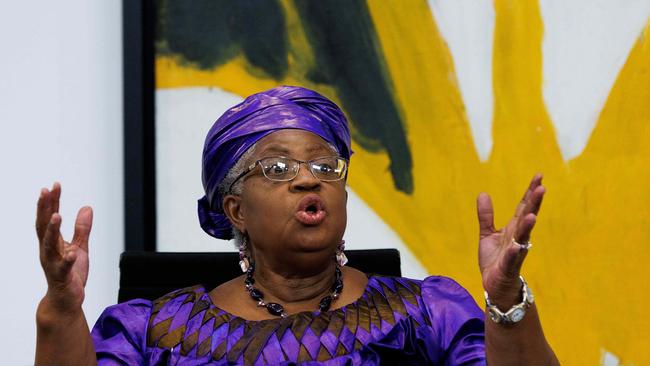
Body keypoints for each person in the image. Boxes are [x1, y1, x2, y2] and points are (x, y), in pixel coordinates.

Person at [35, 86, 559, 365]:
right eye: (280, 168)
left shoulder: (427, 314)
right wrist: (61, 308)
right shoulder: (153, 332)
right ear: (236, 208)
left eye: (324, 165)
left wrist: (507, 301)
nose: (309, 180)